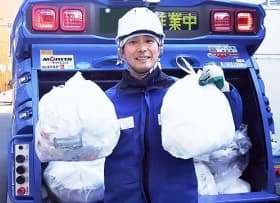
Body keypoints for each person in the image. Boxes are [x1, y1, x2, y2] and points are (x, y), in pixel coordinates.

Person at [104, 7, 243, 203]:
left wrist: (225, 91)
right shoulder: (108, 101)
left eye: (149, 41)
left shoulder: (182, 92)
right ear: (121, 51)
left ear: (160, 48)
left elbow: (230, 125)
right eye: (133, 42)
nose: (142, 48)